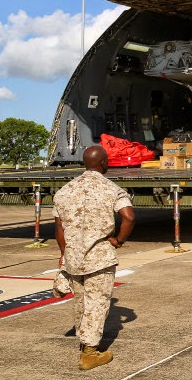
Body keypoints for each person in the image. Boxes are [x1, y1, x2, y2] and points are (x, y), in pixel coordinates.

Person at [53, 146, 135, 371]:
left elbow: (59, 228)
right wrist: (119, 240)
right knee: (97, 303)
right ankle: (90, 353)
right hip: (99, 258)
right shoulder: (111, 189)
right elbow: (128, 217)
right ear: (104, 163)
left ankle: (83, 342)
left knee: (80, 302)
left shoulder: (65, 191)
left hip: (74, 258)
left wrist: (64, 254)